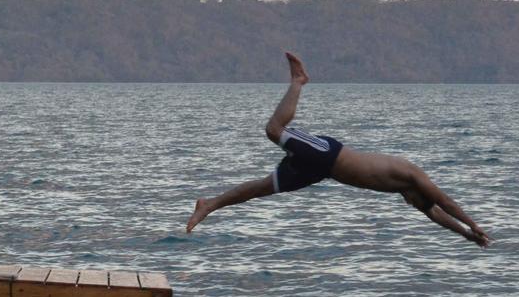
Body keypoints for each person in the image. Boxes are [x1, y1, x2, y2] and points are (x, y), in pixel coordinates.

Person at [187, 52, 491, 247]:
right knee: (273, 130)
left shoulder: (410, 195)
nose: (412, 206)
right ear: (418, 194)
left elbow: (436, 215)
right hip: (328, 155)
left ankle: (209, 204)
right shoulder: (413, 176)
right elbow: (446, 203)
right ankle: (298, 82)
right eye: (416, 203)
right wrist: (474, 224)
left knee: (262, 188)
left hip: (322, 171)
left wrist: (467, 236)